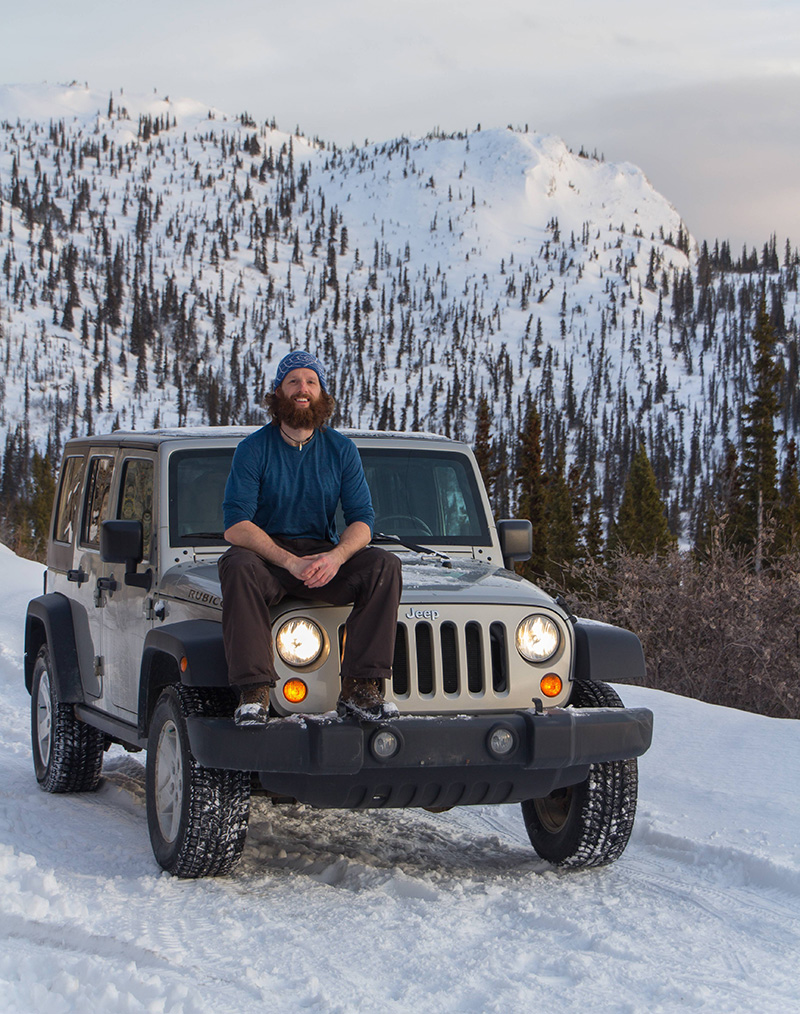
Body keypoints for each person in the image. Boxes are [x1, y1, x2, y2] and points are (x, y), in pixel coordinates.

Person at [218, 350, 402, 726]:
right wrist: (289, 561)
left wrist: (335, 558)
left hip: (323, 559)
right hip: (269, 562)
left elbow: (362, 521)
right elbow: (236, 524)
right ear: (278, 393)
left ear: (321, 394)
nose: (303, 389)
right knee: (236, 564)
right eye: (294, 381)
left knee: (384, 565)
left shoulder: (341, 450)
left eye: (311, 382)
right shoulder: (253, 450)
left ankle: (360, 688)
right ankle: (254, 691)